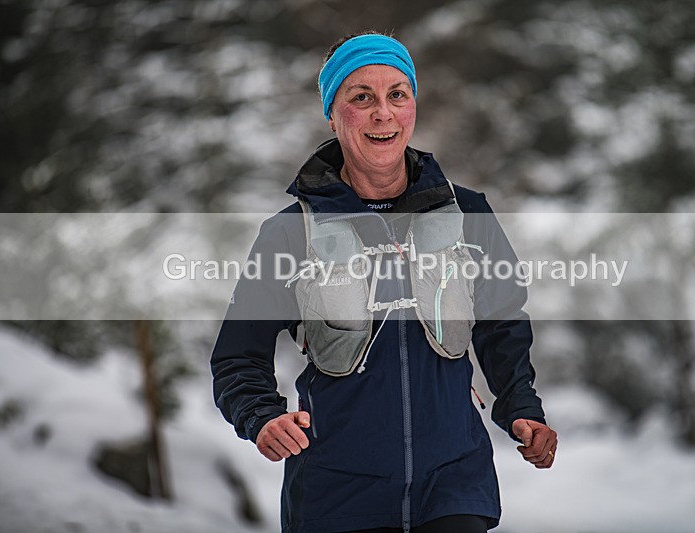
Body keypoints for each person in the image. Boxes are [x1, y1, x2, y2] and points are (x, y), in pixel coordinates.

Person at [211, 32, 557, 533]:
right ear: (333, 113)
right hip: (337, 496)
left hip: (454, 486)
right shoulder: (290, 233)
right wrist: (262, 416)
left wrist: (521, 407)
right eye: (361, 97)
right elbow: (238, 355)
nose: (383, 113)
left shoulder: (469, 214)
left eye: (398, 93)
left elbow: (501, 324)